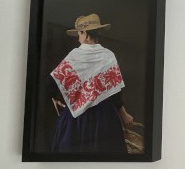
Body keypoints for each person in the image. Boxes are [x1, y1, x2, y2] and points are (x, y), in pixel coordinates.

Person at [50, 14, 135, 153]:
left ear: (85, 34)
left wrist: (58, 100)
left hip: (77, 118)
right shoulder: (108, 56)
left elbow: (61, 83)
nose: (78, 37)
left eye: (79, 33)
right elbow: (115, 91)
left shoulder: (74, 56)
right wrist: (123, 113)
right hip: (104, 115)